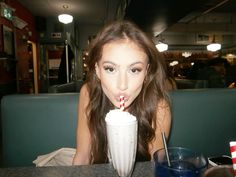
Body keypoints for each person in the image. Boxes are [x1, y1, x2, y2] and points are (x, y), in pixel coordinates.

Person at [72, 20, 171, 165]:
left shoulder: (159, 108)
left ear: (146, 72)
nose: (122, 85)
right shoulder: (88, 93)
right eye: (110, 69)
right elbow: (82, 157)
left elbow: (154, 170)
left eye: (134, 70)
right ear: (98, 70)